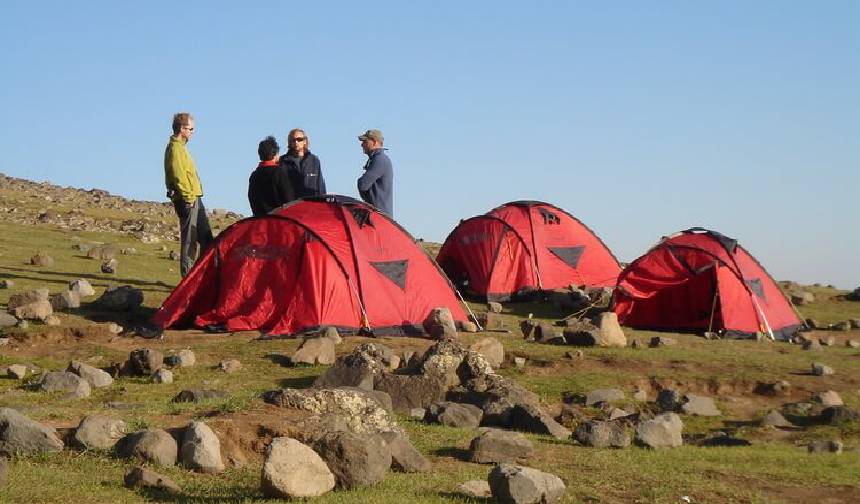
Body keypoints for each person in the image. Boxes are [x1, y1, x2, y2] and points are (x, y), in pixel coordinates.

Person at [164, 112, 213, 277]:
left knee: (206, 238)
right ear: (182, 128)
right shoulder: (175, 149)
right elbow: (179, 176)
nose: (193, 132)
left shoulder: (181, 148)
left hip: (195, 198)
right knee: (190, 241)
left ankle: (203, 275)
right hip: (188, 199)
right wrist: (189, 197)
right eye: (191, 129)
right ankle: (188, 279)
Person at [248, 136, 295, 216]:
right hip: (278, 219)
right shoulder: (279, 172)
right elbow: (289, 199)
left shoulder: (254, 175)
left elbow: (251, 198)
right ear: (275, 154)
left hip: (260, 220)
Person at [278, 128, 326, 199]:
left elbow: (320, 186)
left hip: (311, 205)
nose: (296, 142)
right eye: (293, 140)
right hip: (291, 206)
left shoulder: (314, 160)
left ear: (305, 141)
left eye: (299, 139)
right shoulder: (282, 162)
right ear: (290, 142)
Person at [356, 129, 394, 217]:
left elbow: (362, 184)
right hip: (380, 216)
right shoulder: (379, 159)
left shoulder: (379, 159)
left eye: (365, 141)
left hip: (379, 217)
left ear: (374, 142)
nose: (362, 145)